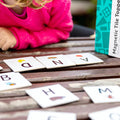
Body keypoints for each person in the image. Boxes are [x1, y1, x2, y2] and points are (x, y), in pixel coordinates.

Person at [0, 0, 94, 51]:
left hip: (46, 31)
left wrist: (18, 37)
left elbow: (61, 31)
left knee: (97, 38)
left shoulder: (57, 2)